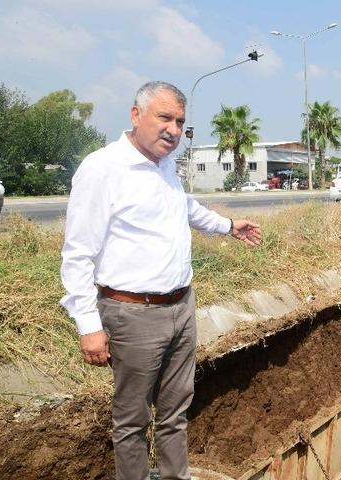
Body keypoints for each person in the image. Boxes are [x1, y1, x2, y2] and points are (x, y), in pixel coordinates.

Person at [59, 81, 262, 480]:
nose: (173, 130)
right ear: (136, 116)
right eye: (164, 117)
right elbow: (78, 254)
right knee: (132, 419)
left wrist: (228, 225)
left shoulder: (165, 165)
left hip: (181, 308)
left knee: (174, 410)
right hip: (132, 315)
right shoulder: (103, 169)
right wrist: (88, 326)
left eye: (181, 122)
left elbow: (184, 207)